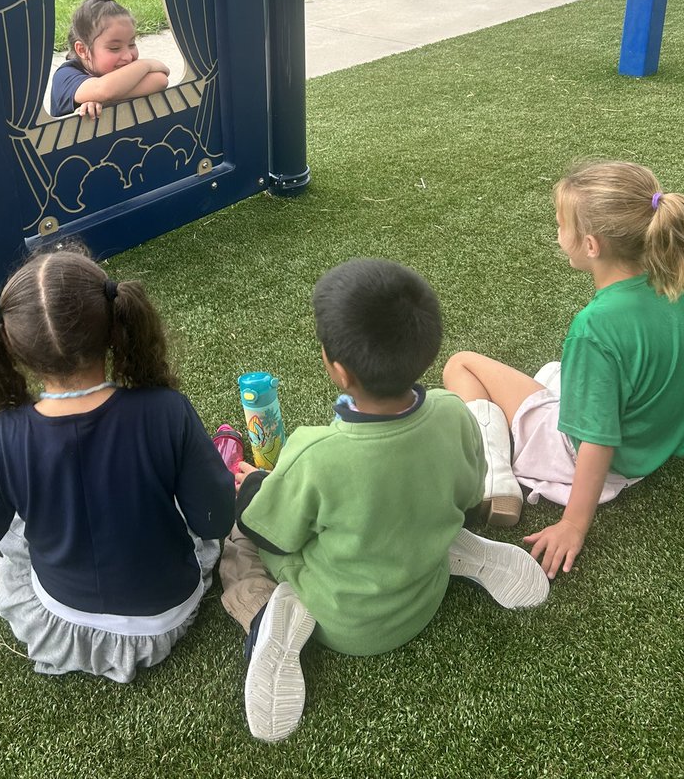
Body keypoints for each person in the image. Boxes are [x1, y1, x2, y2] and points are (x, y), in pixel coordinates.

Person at [0, 246, 235, 682]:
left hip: (62, 630)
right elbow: (215, 519)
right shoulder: (168, 411)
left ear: (12, 347)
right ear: (115, 326)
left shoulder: (0, 439)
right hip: (168, 619)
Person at [220, 258, 550, 744]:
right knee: (411, 506)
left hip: (343, 621)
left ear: (338, 370)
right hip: (424, 593)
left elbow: (275, 532)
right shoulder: (454, 413)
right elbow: (466, 493)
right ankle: (452, 547)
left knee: (239, 542)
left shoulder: (315, 453)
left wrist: (255, 486)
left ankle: (269, 616)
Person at [443, 160, 684, 581]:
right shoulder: (672, 289)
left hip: (597, 460)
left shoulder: (594, 328)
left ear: (591, 245)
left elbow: (596, 440)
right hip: (649, 446)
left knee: (462, 364)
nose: (557, 235)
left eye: (561, 225)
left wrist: (573, 525)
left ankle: (497, 478)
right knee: (554, 371)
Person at [49, 0, 170, 118]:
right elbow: (103, 90)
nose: (128, 57)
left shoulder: (121, 68)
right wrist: (146, 64)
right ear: (82, 50)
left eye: (132, 44)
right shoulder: (64, 77)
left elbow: (160, 80)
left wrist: (104, 101)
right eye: (114, 48)